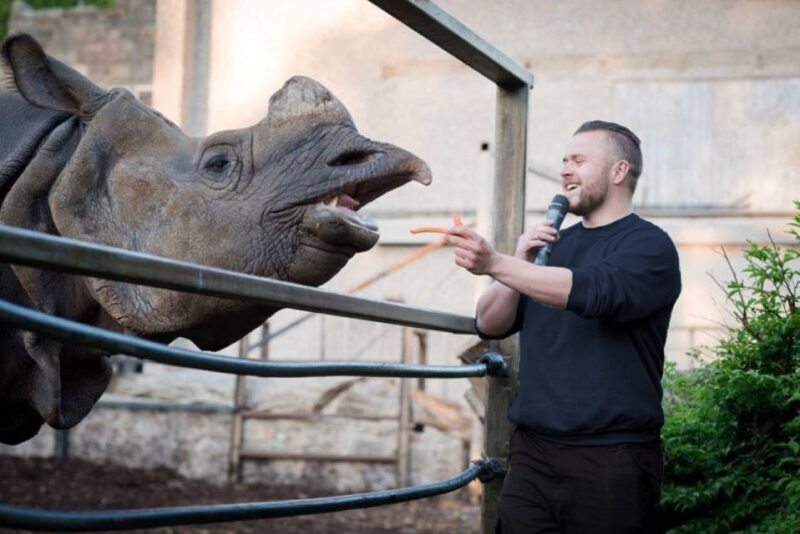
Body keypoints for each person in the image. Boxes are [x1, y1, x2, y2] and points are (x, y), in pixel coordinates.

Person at [446, 121, 681, 533]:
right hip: (532, 455)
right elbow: (489, 322)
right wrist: (519, 259)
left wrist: (497, 262)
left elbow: (593, 292)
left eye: (578, 161)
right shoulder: (552, 248)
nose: (565, 170)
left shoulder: (649, 246)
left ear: (619, 171)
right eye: (564, 161)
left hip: (611, 458)